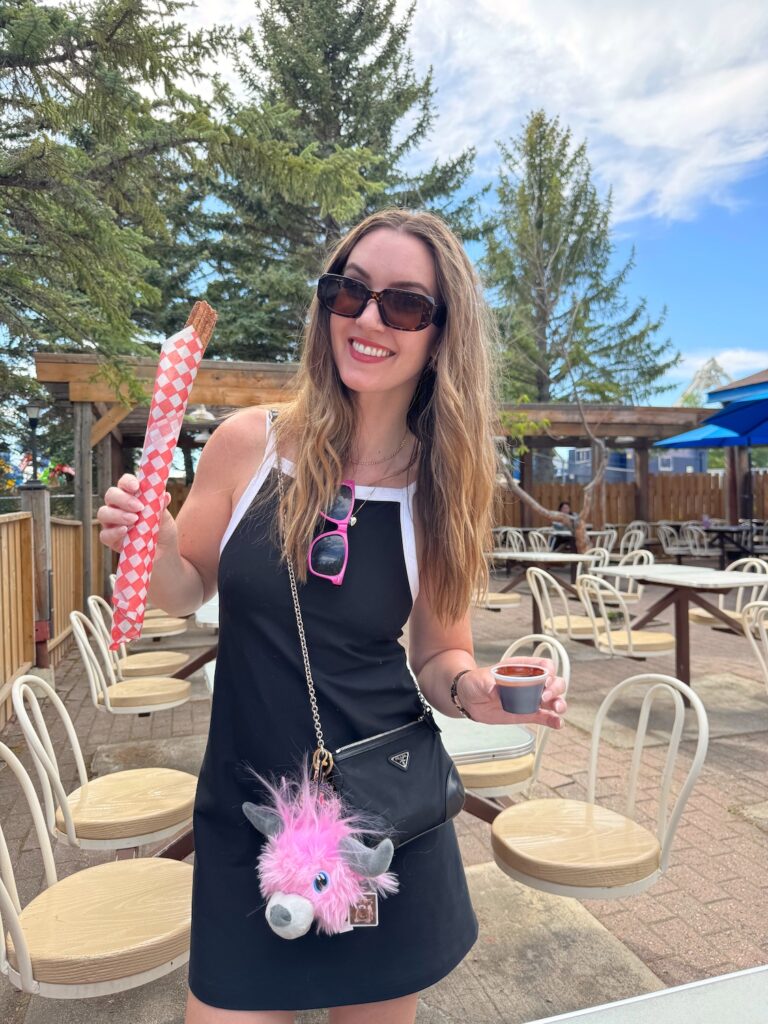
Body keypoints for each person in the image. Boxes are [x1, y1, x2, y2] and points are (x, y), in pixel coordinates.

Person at [98, 208, 567, 1024]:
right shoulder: (250, 444)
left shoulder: (443, 485)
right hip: (250, 813)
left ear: (439, 332)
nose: (369, 317)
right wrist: (161, 544)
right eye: (348, 291)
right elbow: (183, 590)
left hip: (379, 825)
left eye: (404, 304)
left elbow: (438, 655)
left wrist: (475, 691)